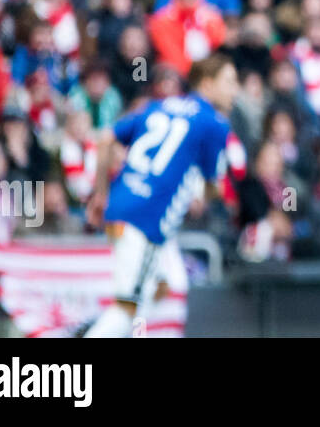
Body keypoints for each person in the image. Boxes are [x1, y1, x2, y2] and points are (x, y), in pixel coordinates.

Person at [83, 53, 238, 337]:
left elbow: (105, 139)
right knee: (126, 307)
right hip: (145, 220)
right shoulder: (214, 123)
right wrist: (210, 197)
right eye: (229, 81)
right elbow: (214, 184)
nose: (235, 89)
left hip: (127, 208)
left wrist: (101, 194)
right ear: (207, 83)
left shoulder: (159, 105)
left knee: (170, 286)